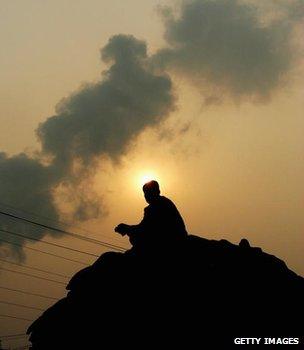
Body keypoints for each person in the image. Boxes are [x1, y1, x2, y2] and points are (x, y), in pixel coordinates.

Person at [115, 180, 187, 248]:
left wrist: (127, 228)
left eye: (149, 192)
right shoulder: (163, 202)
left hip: (169, 240)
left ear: (157, 191)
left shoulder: (158, 205)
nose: (146, 196)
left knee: (136, 238)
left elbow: (145, 228)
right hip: (174, 237)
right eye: (145, 193)